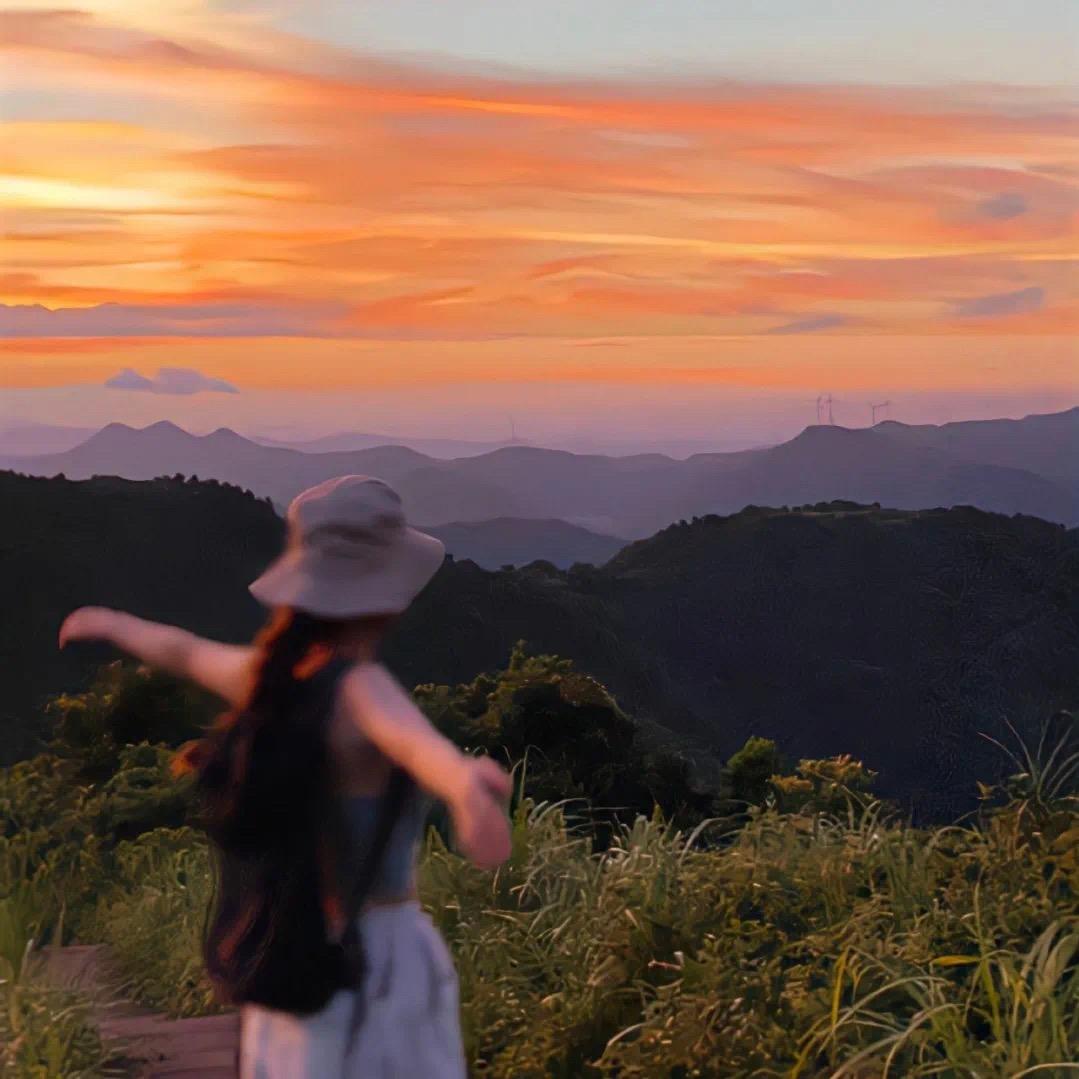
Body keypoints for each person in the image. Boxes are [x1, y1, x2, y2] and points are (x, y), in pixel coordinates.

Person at [59, 475, 512, 1077]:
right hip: (376, 964)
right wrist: (465, 787)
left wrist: (112, 625)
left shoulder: (268, 681)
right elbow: (416, 743)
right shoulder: (360, 686)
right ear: (389, 595)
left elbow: (185, 652)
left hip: (291, 954)